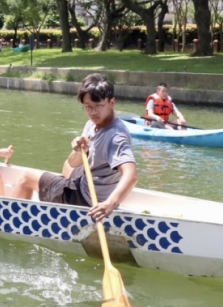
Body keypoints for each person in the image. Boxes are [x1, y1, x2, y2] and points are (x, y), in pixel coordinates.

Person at [11, 74, 138, 222]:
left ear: (112, 103)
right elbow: (73, 162)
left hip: (88, 201)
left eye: (98, 106)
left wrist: (109, 204)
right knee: (67, 167)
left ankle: (11, 220)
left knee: (26, 177)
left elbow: (132, 175)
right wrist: (79, 150)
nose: (93, 112)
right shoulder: (93, 123)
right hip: (86, 186)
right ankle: (58, 196)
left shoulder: (116, 136)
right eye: (88, 107)